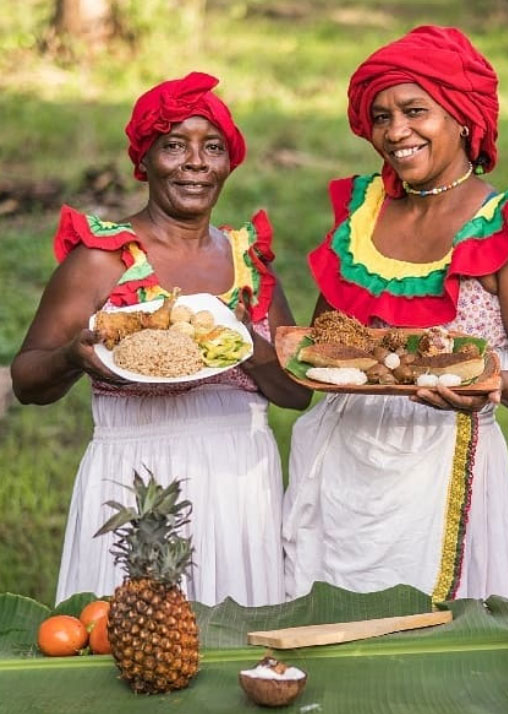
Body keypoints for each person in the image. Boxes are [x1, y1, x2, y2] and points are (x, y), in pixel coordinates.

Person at [283, 26, 508, 603]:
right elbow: (326, 342)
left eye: (416, 111)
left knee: (424, 644)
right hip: (342, 458)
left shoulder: (506, 226)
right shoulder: (363, 213)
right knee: (327, 631)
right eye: (381, 116)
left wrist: (490, 385)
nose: (396, 132)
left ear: (462, 117)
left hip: (444, 460)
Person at [11, 71, 310, 607]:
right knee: (130, 642)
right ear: (145, 159)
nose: (196, 162)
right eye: (175, 146)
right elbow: (29, 378)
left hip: (240, 478)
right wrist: (74, 358)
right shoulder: (104, 259)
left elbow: (296, 392)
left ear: (228, 163)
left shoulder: (248, 263)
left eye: (212, 148)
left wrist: (251, 343)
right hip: (134, 473)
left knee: (234, 640)